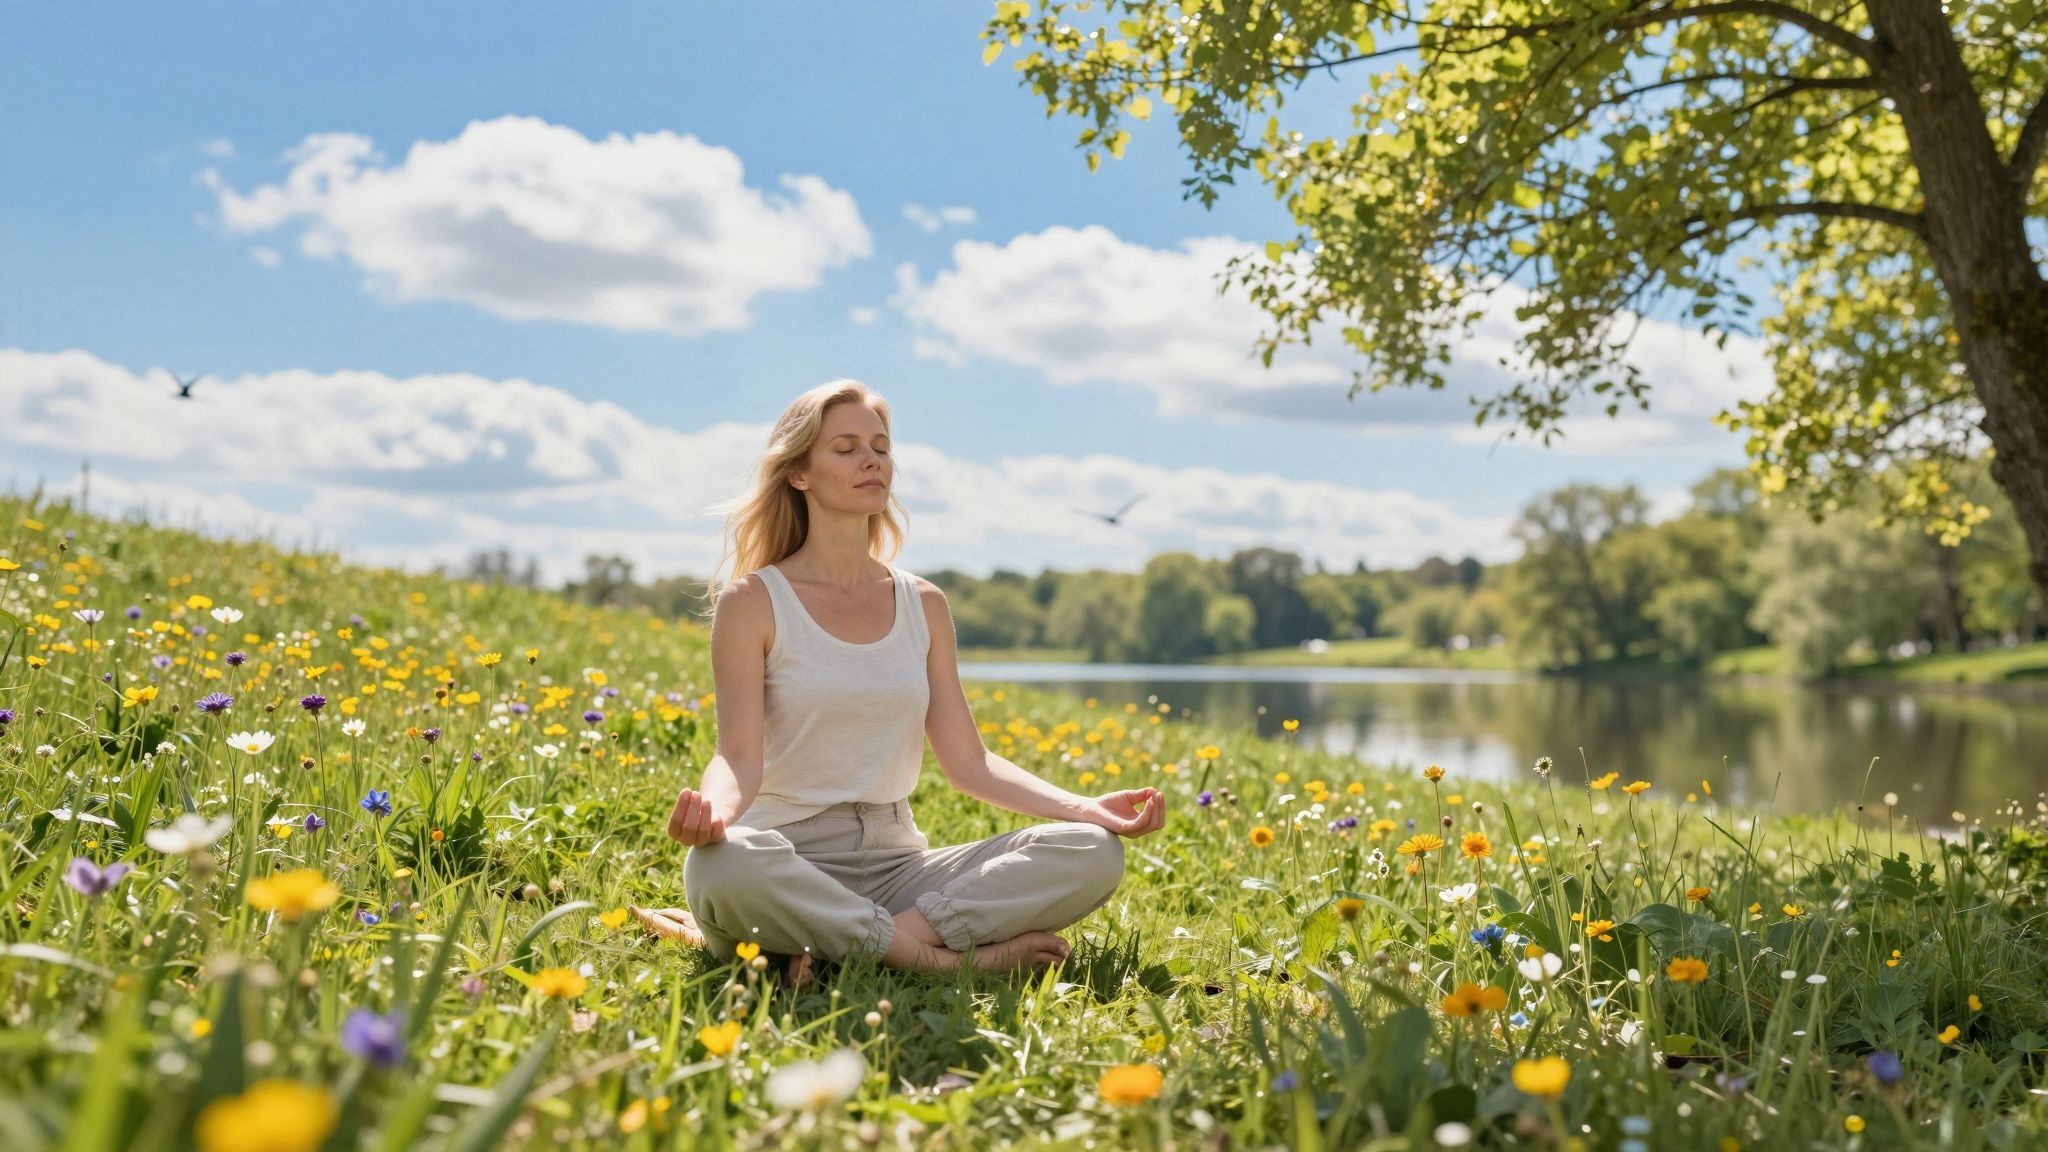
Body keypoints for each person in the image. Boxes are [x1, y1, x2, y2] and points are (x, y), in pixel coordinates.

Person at [631, 379, 1164, 989]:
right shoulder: (753, 601)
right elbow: (737, 755)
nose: (871, 460)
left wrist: (1085, 808)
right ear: (799, 473)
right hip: (783, 855)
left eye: (880, 447)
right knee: (721, 868)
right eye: (847, 447)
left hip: (896, 864)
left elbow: (970, 762)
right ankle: (940, 960)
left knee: (1091, 851)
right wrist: (714, 816)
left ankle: (838, 946)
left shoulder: (923, 604)